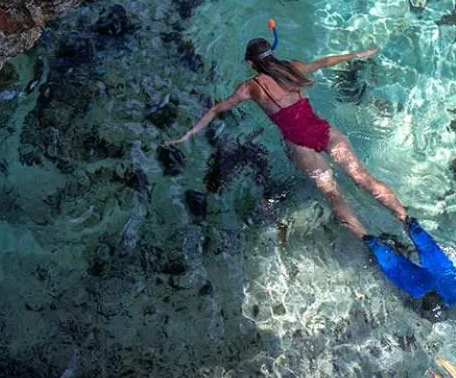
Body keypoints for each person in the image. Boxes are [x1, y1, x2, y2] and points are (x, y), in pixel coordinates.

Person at [164, 37, 405, 239]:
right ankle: (405, 219)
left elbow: (217, 109)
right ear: (272, 54)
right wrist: (361, 53)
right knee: (362, 177)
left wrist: (187, 135)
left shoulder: (251, 87)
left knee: (333, 195)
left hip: (300, 146)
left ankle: (368, 240)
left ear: (250, 63)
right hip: (324, 132)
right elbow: (326, 61)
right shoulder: (293, 68)